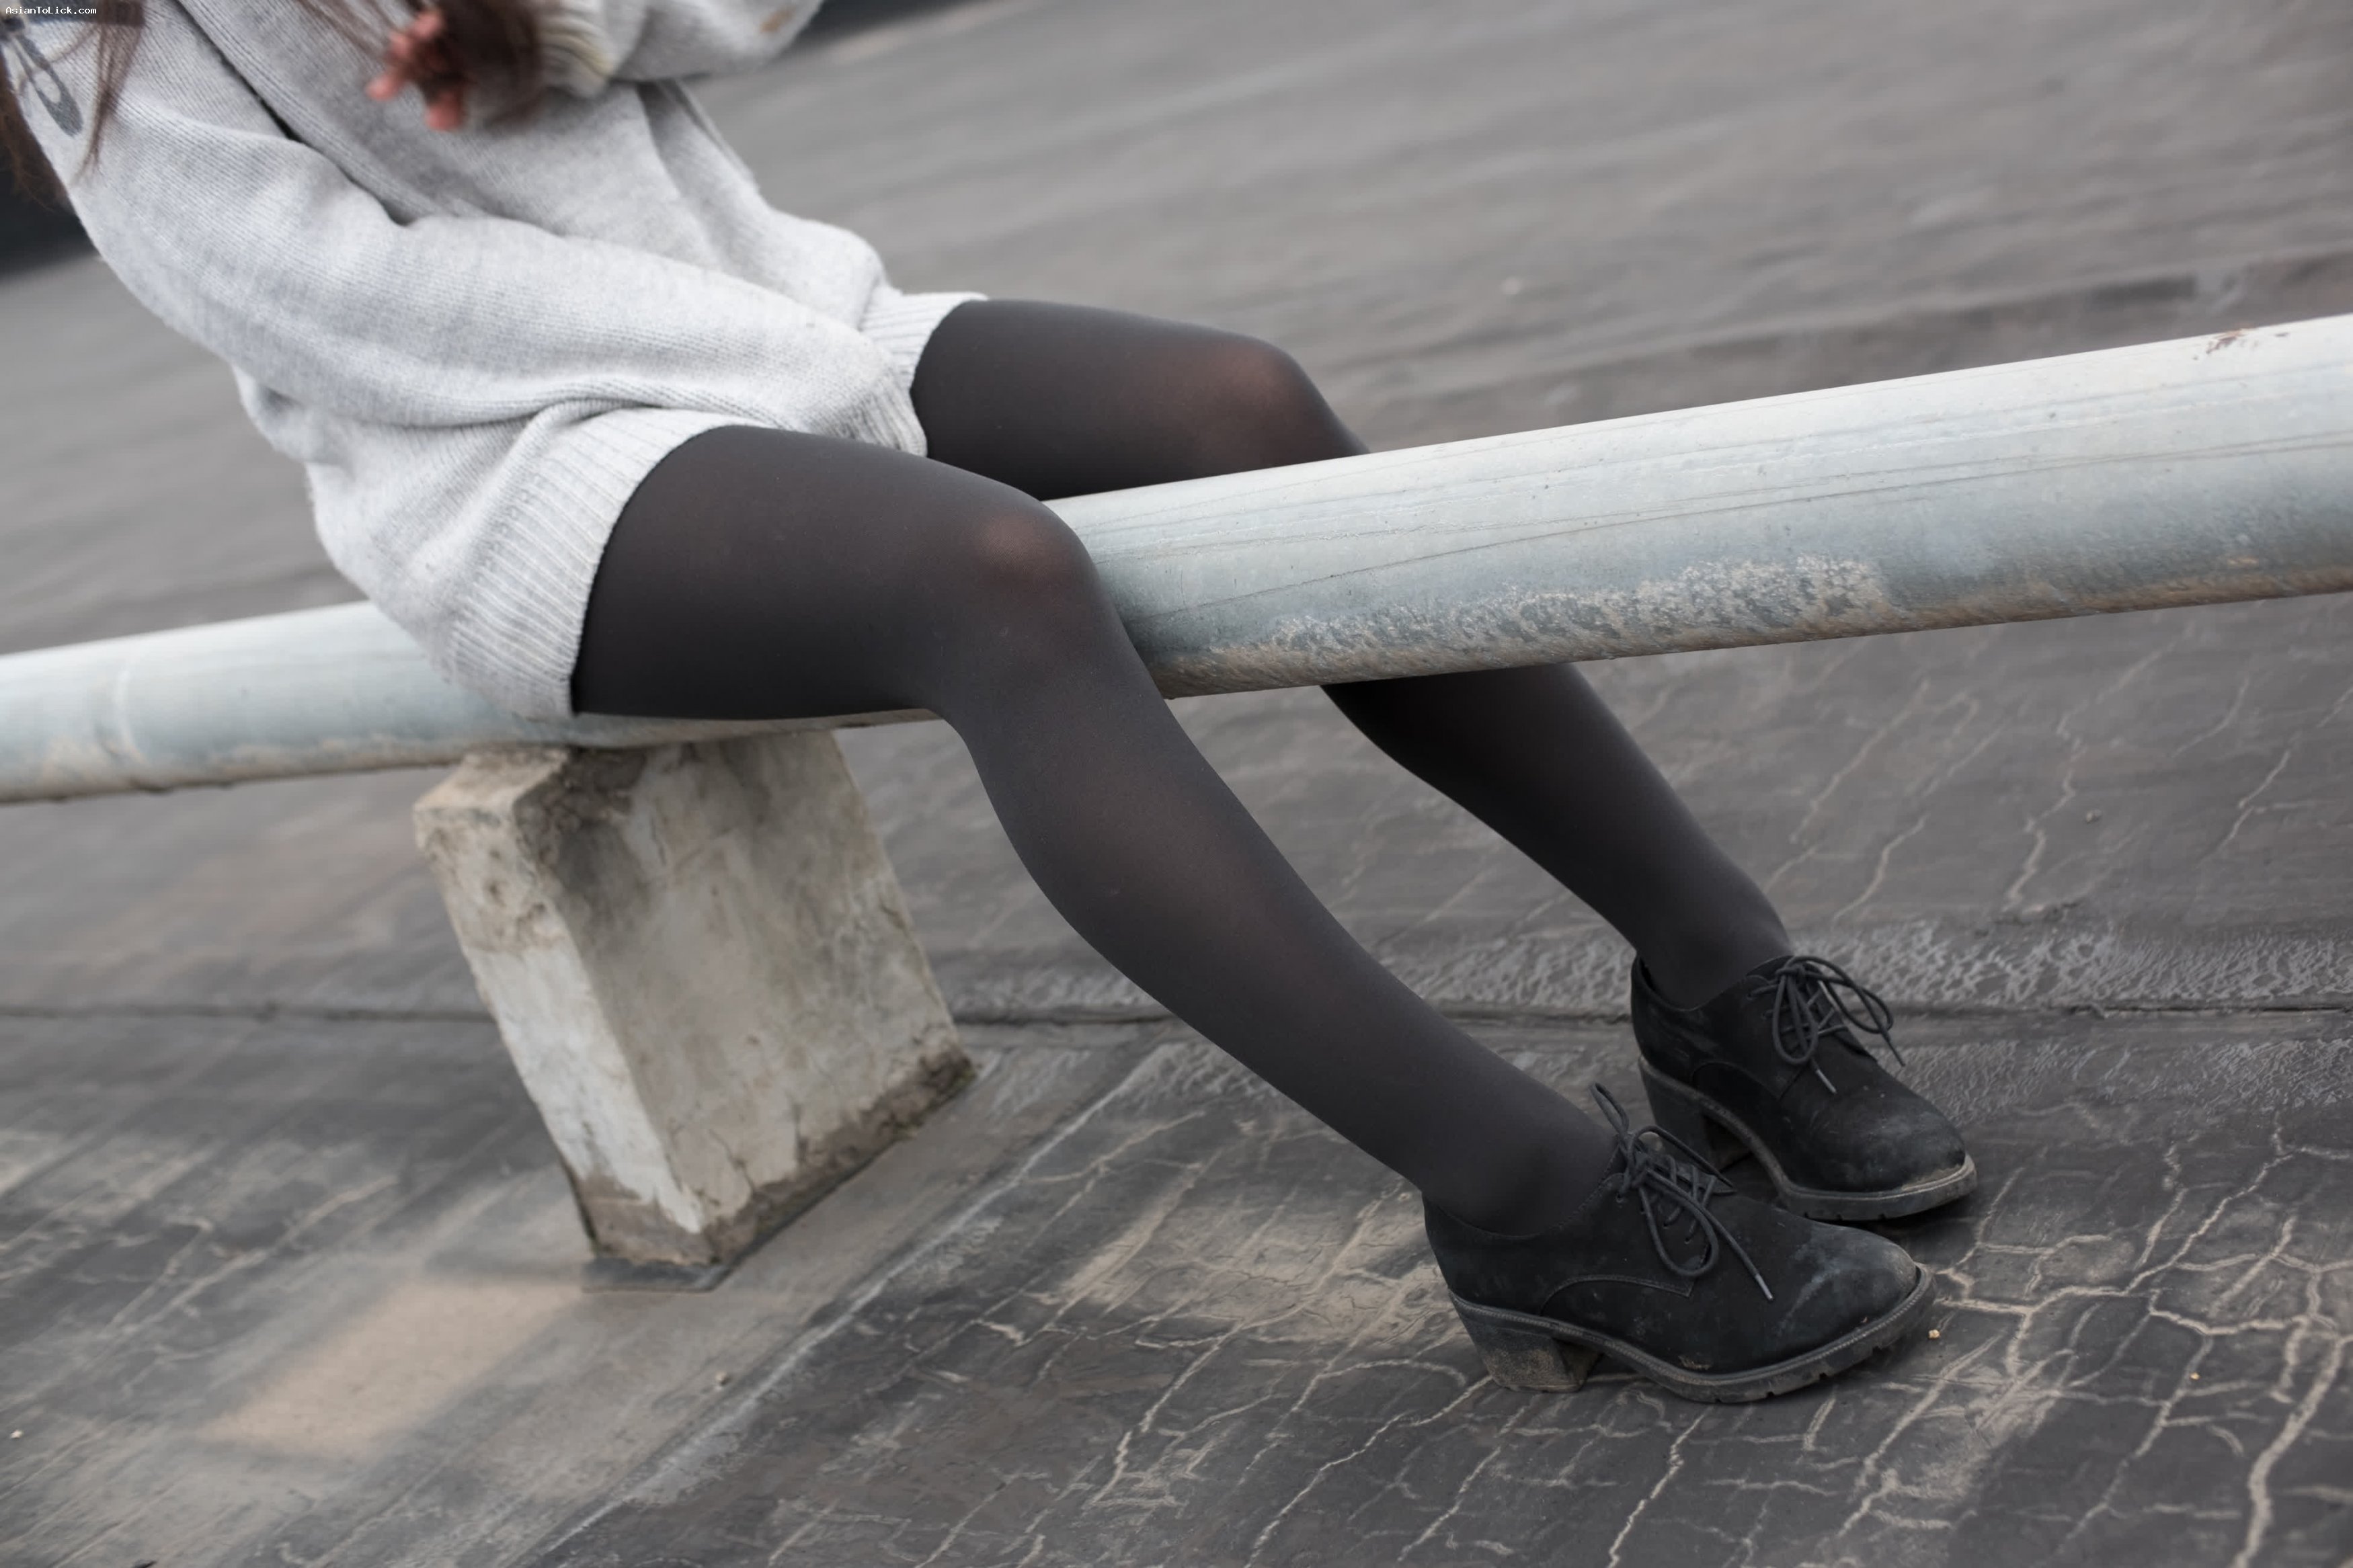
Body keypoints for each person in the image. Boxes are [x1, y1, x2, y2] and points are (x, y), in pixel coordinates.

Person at [1, 0, 1973, 1403]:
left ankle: (1723, 988)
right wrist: (788, 386)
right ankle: (1524, 1195)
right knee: (990, 578)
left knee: (1242, 405)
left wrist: (555, 17)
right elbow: (329, 309)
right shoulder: (75, 28)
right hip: (512, 463)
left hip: (788, 334)